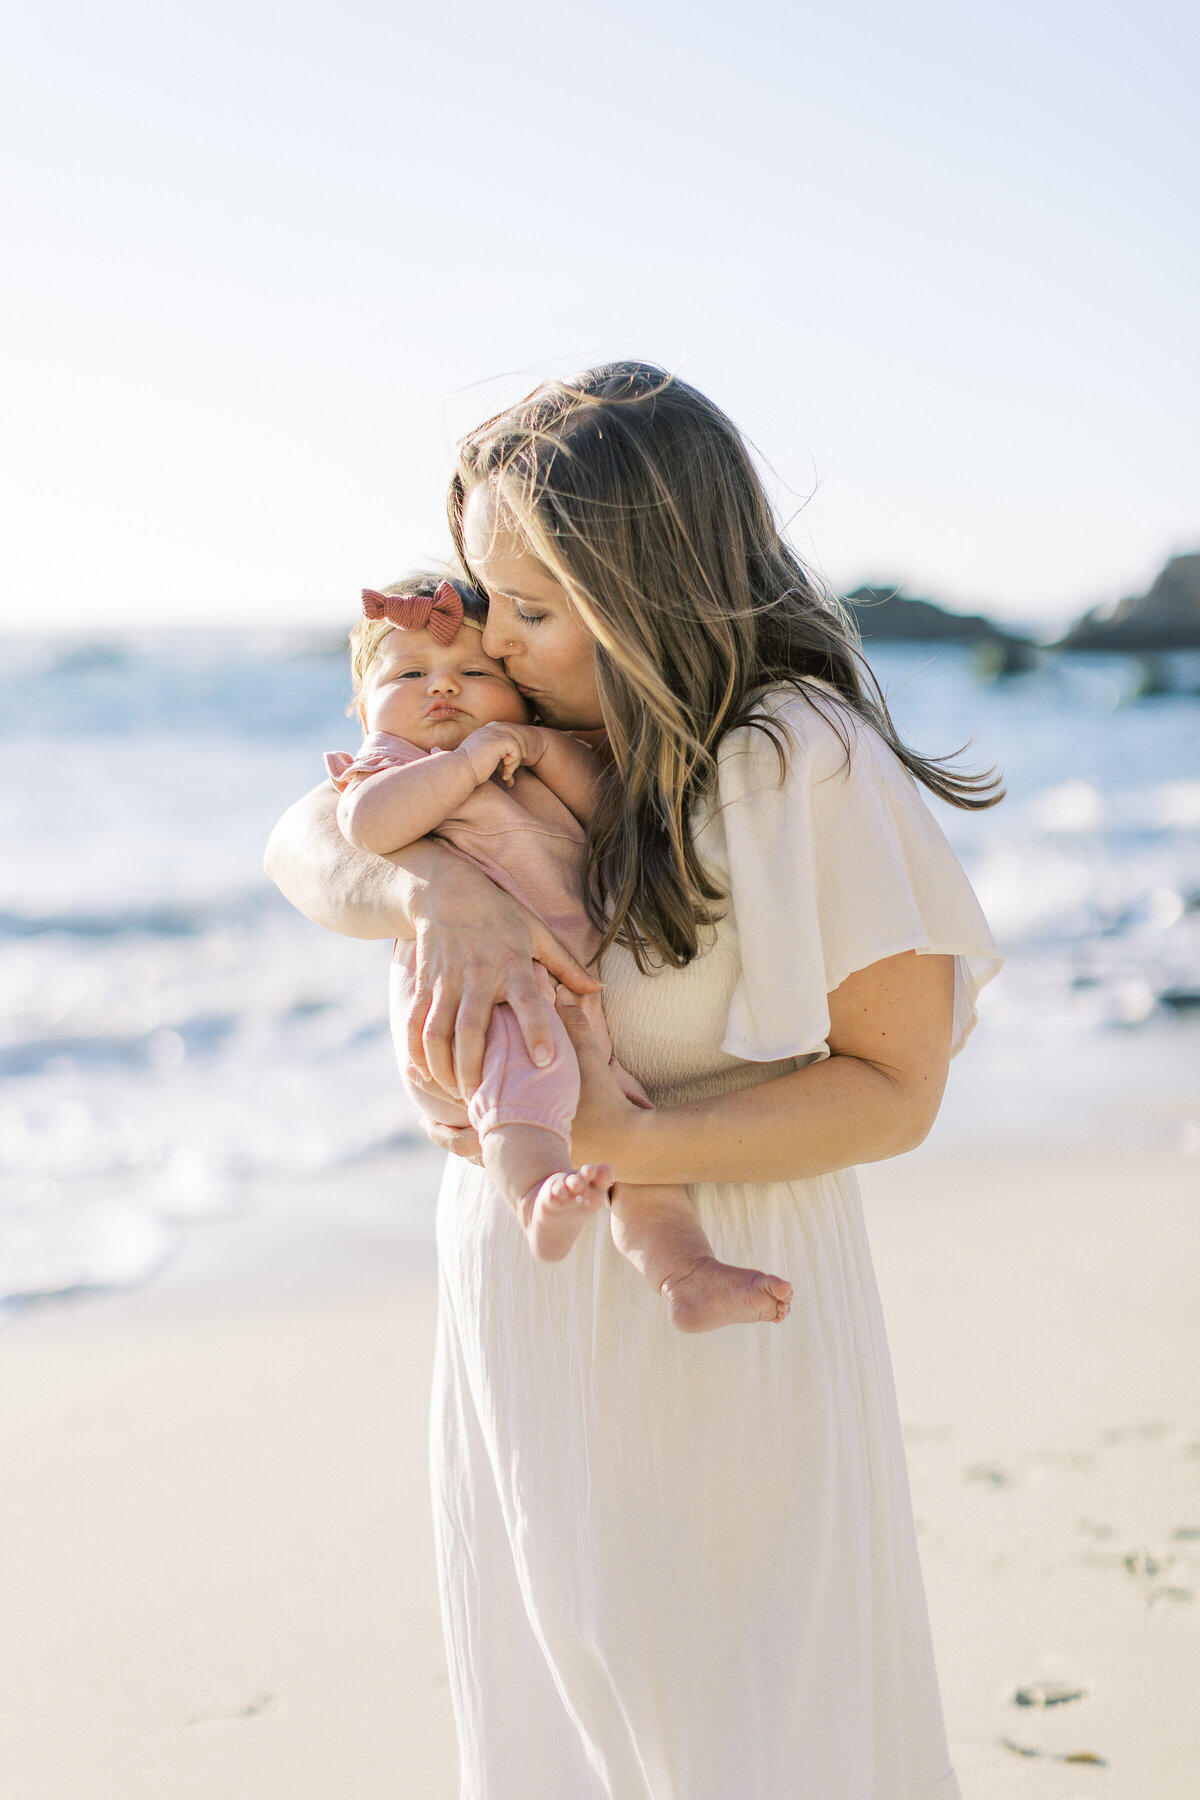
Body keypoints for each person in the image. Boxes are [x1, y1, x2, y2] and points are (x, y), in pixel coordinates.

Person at [266, 362, 1004, 1799]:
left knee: (744, 1734)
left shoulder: (797, 761)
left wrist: (612, 1131)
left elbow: (894, 1089)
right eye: (488, 605)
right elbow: (305, 840)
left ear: (650, 589)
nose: (498, 651)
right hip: (521, 1299)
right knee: (554, 1728)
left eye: (534, 614)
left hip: (720, 1305)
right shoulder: (518, 737)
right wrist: (436, 896)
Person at [324, 572, 792, 1328]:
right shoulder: (389, 765)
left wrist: (536, 747)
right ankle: (536, 1196)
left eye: (473, 674)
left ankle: (685, 1273)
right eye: (409, 676)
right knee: (527, 1083)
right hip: (479, 998)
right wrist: (471, 761)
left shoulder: (526, 753)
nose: (442, 690)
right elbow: (371, 829)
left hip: (566, 997)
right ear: (363, 710)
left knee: (631, 1142)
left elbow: (608, 808)